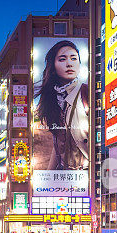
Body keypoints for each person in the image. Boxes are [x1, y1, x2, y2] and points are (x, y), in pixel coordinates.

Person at [33, 40, 90, 170]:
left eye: (74, 58)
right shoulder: (51, 99)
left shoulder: (87, 93)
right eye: (62, 59)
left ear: (79, 64)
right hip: (64, 174)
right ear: (53, 66)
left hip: (88, 173)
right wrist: (49, 175)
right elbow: (58, 142)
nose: (69, 63)